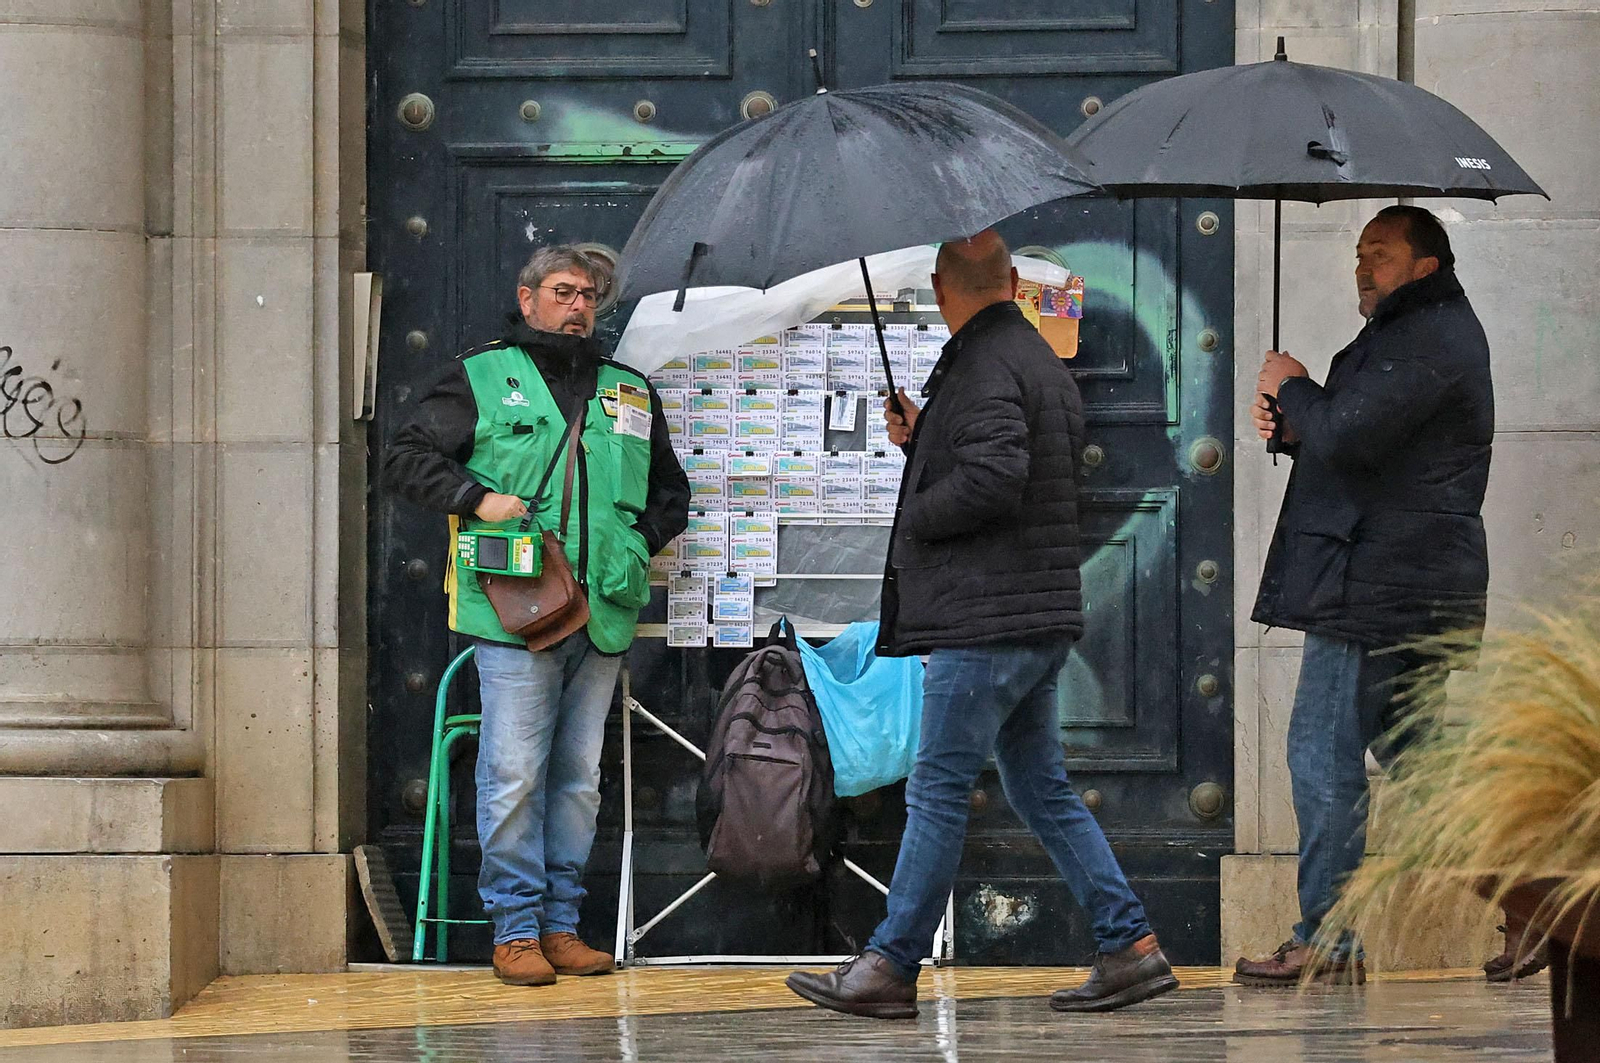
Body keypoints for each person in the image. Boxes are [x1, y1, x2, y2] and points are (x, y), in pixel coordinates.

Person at [785, 230, 1177, 1019]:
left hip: (985, 618)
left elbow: (995, 478)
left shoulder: (986, 360)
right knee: (1041, 788)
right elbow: (1009, 463)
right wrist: (924, 436)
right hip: (1029, 614)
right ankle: (1130, 943)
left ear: (940, 286)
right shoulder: (1027, 355)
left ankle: (891, 965)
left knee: (935, 788)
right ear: (1006, 282)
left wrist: (916, 514)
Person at [385, 246, 689, 986]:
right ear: (528, 300)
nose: (577, 305)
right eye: (562, 291)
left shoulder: (629, 391)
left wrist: (633, 542)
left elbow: (671, 496)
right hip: (514, 610)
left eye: (589, 294)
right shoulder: (482, 375)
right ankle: (514, 929)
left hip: (604, 610)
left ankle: (560, 924)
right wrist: (478, 500)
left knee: (579, 778)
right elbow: (403, 457)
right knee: (515, 771)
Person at [1235, 206, 1507, 986]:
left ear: (1426, 264)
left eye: (1380, 255)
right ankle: (1542, 907)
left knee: (1319, 751)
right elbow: (1372, 442)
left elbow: (1351, 432)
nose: (1363, 267)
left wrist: (1292, 386)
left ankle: (1328, 937)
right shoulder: (1416, 331)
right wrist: (1292, 422)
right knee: (1426, 771)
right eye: (1358, 253)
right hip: (1400, 580)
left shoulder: (1431, 334)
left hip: (1377, 585)